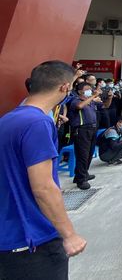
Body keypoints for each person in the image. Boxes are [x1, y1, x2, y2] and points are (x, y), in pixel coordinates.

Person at [0, 61, 86, 280]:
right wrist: (69, 234)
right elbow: (44, 187)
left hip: (8, 237)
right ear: (65, 87)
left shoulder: (8, 120)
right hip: (33, 240)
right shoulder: (38, 123)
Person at [67, 82, 102, 190]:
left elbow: (105, 105)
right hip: (82, 130)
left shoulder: (90, 102)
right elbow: (79, 106)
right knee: (82, 154)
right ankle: (81, 180)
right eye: (87, 89)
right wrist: (93, 96)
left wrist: (108, 97)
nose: (90, 91)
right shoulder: (76, 100)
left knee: (89, 153)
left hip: (92, 129)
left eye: (90, 89)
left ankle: (82, 174)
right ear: (80, 91)